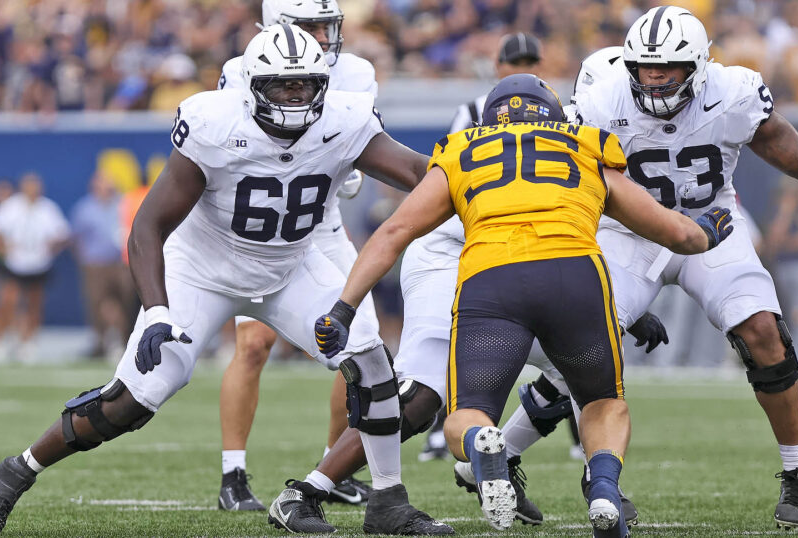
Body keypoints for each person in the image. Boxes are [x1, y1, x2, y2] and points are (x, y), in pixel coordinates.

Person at [0, 25, 447, 537]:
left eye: (305, 85)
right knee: (134, 398)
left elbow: (420, 173)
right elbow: (148, 226)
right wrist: (156, 311)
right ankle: (15, 472)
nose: (295, 96)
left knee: (372, 364)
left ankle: (387, 503)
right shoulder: (215, 124)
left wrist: (473, 170)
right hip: (203, 269)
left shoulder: (344, 120)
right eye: (283, 86)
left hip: (291, 266)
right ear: (252, 87)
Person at [314, 73, 734, 537]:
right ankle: (605, 491)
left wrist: (344, 308)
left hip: (492, 280)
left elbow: (394, 232)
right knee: (601, 400)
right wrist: (708, 230)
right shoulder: (583, 144)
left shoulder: (462, 152)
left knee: (466, 412)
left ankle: (481, 444)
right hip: (574, 277)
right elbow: (674, 233)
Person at [570, 6, 798, 530]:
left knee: (763, 331)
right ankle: (601, 475)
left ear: (699, 66)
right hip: (627, 234)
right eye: (644, 68)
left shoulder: (734, 94)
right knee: (589, 338)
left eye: (668, 69)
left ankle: (797, 470)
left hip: (713, 224)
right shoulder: (599, 98)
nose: (653, 79)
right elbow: (580, 189)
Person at [215, 0, 379, 511]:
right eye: (307, 25)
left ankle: (333, 468)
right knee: (253, 344)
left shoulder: (355, 72)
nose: (320, 37)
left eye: (326, 25)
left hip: (322, 221)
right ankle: (232, 475)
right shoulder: (240, 70)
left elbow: (361, 144)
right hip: (264, 225)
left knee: (363, 346)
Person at [419, 31, 546, 464]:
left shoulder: (554, 113)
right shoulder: (472, 113)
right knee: (450, 347)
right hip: (470, 240)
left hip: (527, 243)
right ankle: (447, 430)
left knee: (575, 346)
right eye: (515, 61)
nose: (522, 68)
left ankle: (500, 445)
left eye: (530, 60)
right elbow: (454, 175)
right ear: (497, 68)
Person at [0, 173, 70, 361]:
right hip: (14, 264)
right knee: (8, 302)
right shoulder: (11, 206)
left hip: (38, 264)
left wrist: (53, 246)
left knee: (34, 304)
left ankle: (28, 342)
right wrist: (3, 249)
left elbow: (62, 234)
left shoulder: (48, 208)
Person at [71, 172, 134, 360]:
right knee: (100, 303)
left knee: (124, 303)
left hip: (121, 263)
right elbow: (76, 238)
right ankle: (104, 341)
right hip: (96, 264)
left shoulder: (123, 204)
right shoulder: (85, 208)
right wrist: (85, 259)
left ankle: (120, 341)